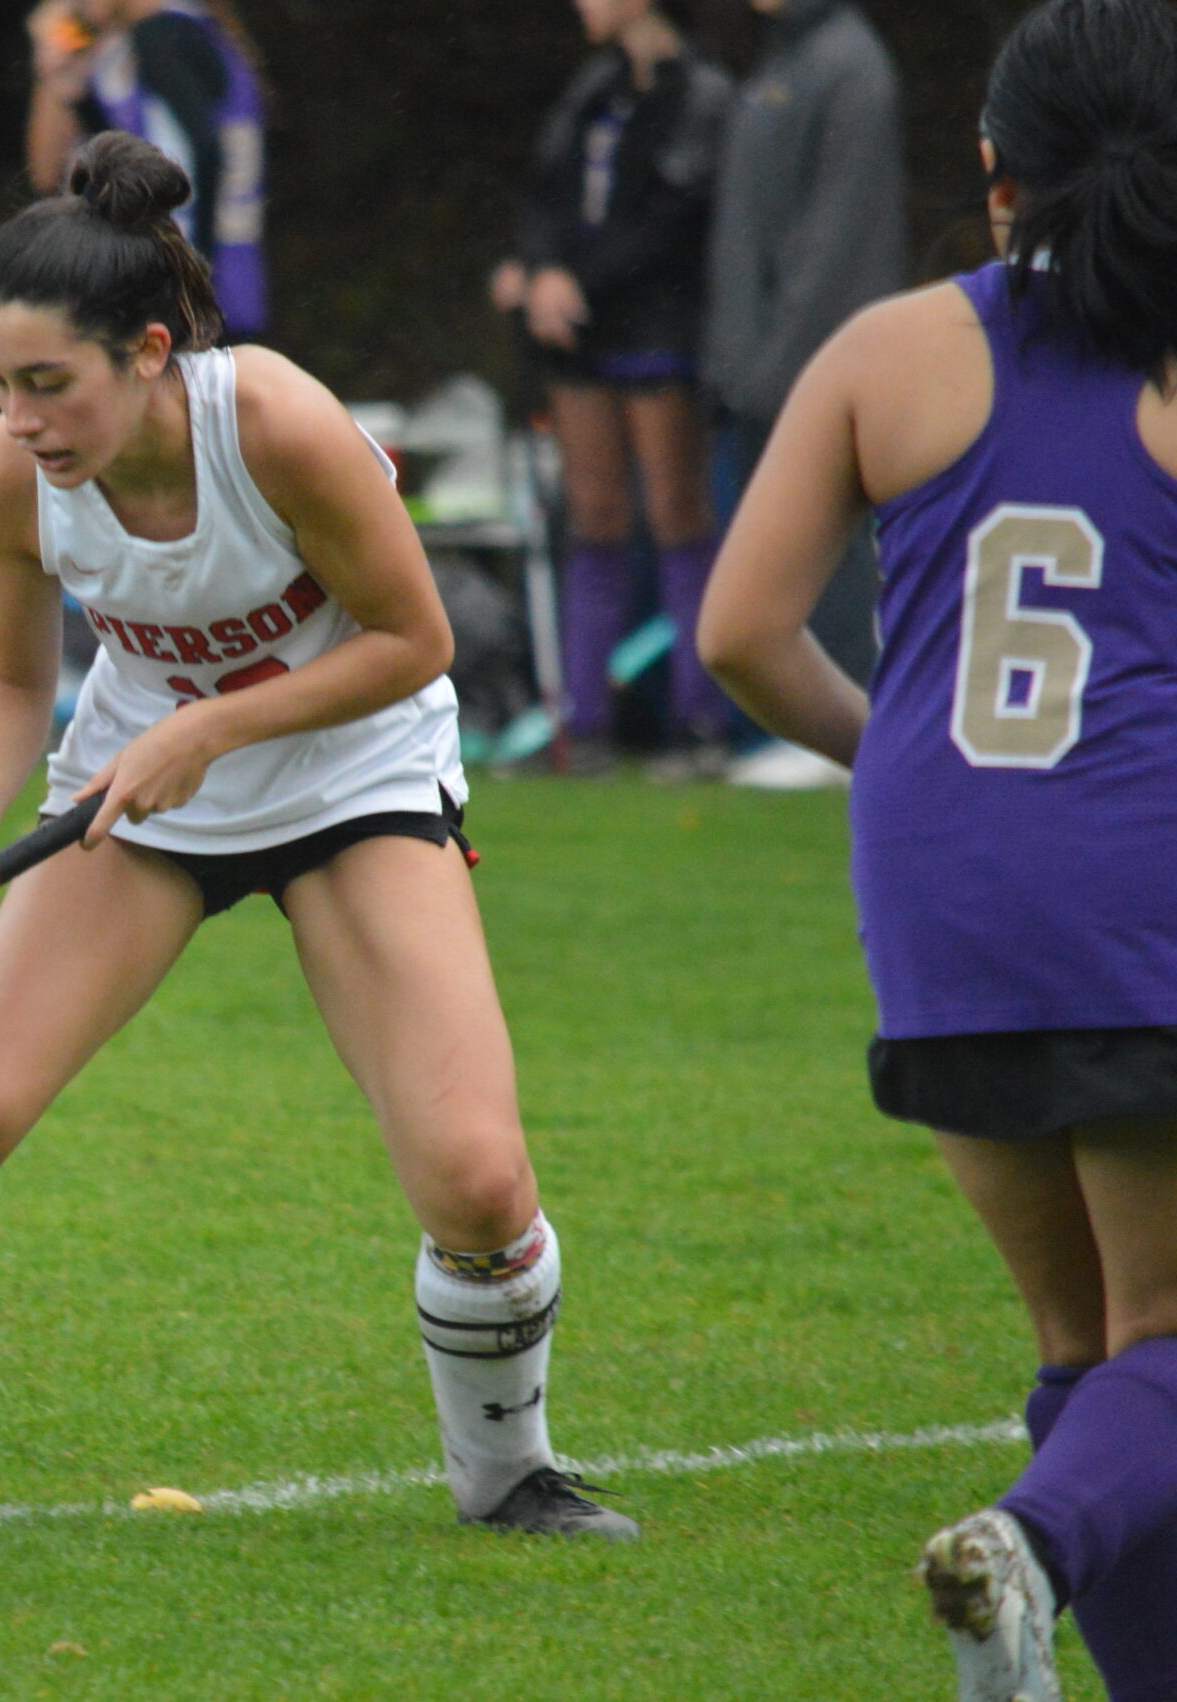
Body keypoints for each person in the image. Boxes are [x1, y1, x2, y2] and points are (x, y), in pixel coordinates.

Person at [0, 134, 637, 1544]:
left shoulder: (273, 422)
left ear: (149, 351)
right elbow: (14, 681)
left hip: (353, 775)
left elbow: (415, 638)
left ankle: (510, 1474)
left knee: (475, 1178)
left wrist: (210, 727)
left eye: (47, 383)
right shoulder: (8, 478)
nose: (20, 419)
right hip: (135, 796)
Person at [699, 1, 1177, 1694]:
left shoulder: (887, 352)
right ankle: (1031, 1550)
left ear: (993, 179)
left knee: (1088, 1355)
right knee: (1167, 1345)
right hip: (1138, 893)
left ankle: (1053, 1642)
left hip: (940, 896)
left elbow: (745, 631)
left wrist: (898, 757)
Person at [491, 0, 734, 777]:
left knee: (676, 513)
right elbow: (546, 193)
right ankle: (582, 727)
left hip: (657, 332)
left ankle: (701, 724)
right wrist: (536, 272)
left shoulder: (701, 94)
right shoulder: (592, 89)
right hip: (580, 340)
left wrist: (574, 284)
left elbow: (670, 220)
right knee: (591, 516)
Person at [701, 0, 905, 789]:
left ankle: (844, 721)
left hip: (804, 363)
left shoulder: (850, 63)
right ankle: (777, 728)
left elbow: (839, 238)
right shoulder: (779, 61)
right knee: (765, 545)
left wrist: (786, 360)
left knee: (834, 548)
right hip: (753, 362)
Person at [26, 0, 267, 341]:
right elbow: (57, 173)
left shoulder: (161, 37)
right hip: (227, 291)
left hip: (179, 305)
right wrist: (72, 89)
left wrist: (183, 282)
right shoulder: (196, 33)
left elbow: (196, 160)